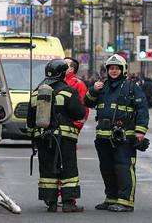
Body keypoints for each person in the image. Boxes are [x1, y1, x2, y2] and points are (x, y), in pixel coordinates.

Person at [84, 54, 149, 212]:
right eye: (111, 68)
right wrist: (93, 89)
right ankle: (111, 198)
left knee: (123, 167)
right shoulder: (102, 86)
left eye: (117, 68)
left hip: (124, 137)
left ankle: (125, 201)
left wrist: (140, 131)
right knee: (106, 168)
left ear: (123, 70)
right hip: (103, 136)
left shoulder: (132, 87)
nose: (113, 71)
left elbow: (142, 110)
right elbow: (87, 102)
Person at [27, 59, 87, 213]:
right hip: (64, 139)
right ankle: (68, 203)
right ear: (61, 73)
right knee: (68, 169)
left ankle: (51, 203)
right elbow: (80, 113)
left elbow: (30, 120)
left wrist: (34, 137)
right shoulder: (68, 91)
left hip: (43, 138)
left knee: (47, 169)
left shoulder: (36, 92)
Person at [64, 57, 89, 131]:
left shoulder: (79, 84)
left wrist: (75, 126)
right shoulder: (58, 81)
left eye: (64, 64)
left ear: (71, 69)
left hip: (70, 129)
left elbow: (84, 107)